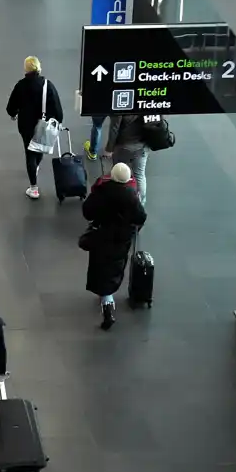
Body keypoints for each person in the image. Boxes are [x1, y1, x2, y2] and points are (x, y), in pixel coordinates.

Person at [82, 162, 147, 330]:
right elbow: (141, 217)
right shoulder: (131, 195)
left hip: (102, 235)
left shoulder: (102, 190)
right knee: (115, 266)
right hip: (122, 238)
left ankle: (107, 303)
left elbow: (87, 211)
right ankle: (107, 296)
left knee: (100, 266)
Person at [6, 56, 63, 200]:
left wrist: (13, 114)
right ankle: (36, 167)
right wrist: (57, 122)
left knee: (29, 153)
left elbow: (11, 106)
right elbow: (57, 108)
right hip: (44, 125)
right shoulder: (47, 85)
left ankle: (34, 188)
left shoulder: (20, 85)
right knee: (40, 148)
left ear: (26, 69)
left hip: (26, 126)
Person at [104, 115, 149, 205]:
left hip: (123, 147)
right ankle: (140, 203)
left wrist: (109, 149)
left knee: (118, 174)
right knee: (140, 175)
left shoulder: (121, 105)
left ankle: (118, 201)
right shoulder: (145, 102)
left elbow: (114, 129)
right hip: (141, 146)